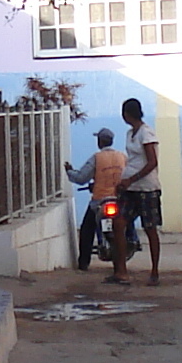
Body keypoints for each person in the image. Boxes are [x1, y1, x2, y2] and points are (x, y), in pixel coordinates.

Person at [70, 126, 131, 277]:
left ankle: (84, 262)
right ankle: (131, 242)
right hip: (119, 199)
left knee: (87, 229)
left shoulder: (97, 158)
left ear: (100, 141)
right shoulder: (122, 157)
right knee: (126, 222)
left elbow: (81, 178)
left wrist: (69, 171)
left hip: (99, 202)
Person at [118, 97, 164, 282]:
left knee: (150, 228)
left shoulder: (147, 134)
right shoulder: (130, 133)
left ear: (128, 114)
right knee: (119, 223)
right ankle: (121, 270)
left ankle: (154, 271)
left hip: (147, 188)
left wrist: (132, 178)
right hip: (130, 188)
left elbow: (152, 162)